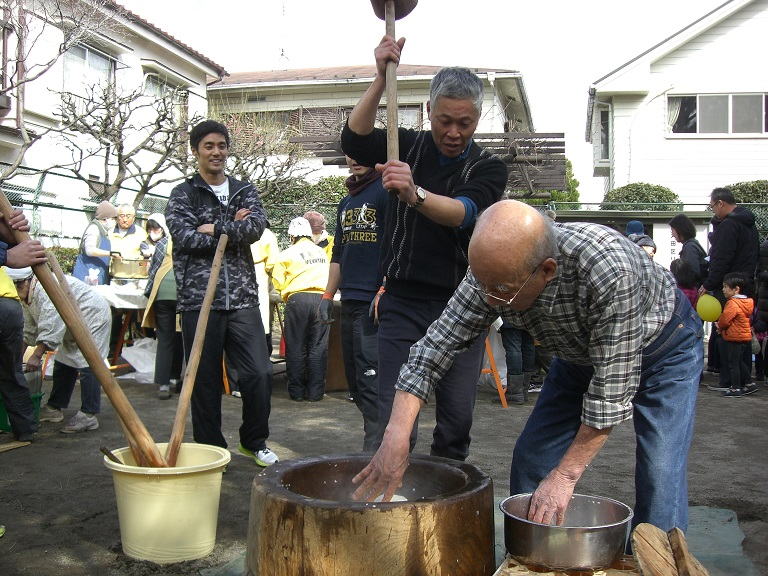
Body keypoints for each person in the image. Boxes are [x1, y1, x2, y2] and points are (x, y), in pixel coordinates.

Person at [353, 201, 703, 539]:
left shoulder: (609, 270)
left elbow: (608, 397)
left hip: (664, 349)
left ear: (547, 270)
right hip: (576, 356)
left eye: (501, 291)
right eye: (483, 284)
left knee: (660, 468)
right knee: (533, 456)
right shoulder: (493, 273)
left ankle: (660, 560)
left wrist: (565, 477)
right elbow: (432, 352)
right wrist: (395, 438)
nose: (488, 300)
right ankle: (534, 555)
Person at [340, 36, 507, 460]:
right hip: (402, 302)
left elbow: (464, 212)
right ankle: (390, 490)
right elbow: (355, 140)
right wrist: (380, 78)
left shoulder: (488, 167)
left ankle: (446, 494)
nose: (453, 133)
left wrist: (414, 193)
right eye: (445, 120)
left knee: (455, 423)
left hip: (463, 306)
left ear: (477, 118)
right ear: (429, 110)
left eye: (465, 123)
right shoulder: (405, 145)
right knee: (395, 420)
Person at [165, 119, 277, 467]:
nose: (217, 152)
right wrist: (232, 228)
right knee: (204, 381)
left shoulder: (244, 190)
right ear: (196, 151)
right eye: (209, 146)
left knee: (260, 372)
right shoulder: (183, 193)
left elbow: (256, 228)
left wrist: (213, 227)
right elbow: (184, 236)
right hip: (199, 300)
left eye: (222, 145)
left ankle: (253, 441)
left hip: (242, 298)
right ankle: (211, 450)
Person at [319, 155, 388, 450]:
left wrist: (385, 288)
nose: (355, 159)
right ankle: (375, 439)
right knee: (355, 381)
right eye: (350, 153)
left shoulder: (386, 192)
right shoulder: (346, 202)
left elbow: (397, 245)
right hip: (349, 300)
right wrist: (327, 295)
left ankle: (377, 447)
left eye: (363, 153)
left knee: (372, 378)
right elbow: (338, 254)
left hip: (374, 303)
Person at [11, 268, 111, 433]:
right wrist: (15, 358)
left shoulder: (45, 289)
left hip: (92, 315)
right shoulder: (27, 295)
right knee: (64, 360)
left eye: (19, 286)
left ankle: (88, 415)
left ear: (27, 282)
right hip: (71, 320)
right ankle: (54, 408)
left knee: (89, 362)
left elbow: (50, 325)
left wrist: (36, 355)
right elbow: (29, 329)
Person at [700, 188, 759, 386]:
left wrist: (709, 284)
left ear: (721, 203)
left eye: (712, 206)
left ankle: (729, 381)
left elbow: (721, 259)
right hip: (746, 285)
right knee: (743, 333)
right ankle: (744, 380)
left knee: (726, 333)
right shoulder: (749, 223)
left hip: (729, 286)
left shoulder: (729, 225)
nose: (713, 211)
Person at [0, 208, 48, 443]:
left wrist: (8, 237)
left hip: (5, 305)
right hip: (8, 304)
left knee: (10, 371)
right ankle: (25, 429)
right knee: (10, 372)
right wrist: (6, 252)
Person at [270, 217, 330, 402]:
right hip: (321, 299)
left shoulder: (286, 254)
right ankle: (315, 393)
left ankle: (296, 392)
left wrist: (285, 292)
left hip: (297, 300)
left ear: (291, 236)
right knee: (318, 347)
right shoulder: (321, 253)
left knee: (296, 346)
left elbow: (277, 281)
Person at [140, 213, 182, 400]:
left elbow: (154, 270)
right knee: (181, 336)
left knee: (165, 339)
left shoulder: (163, 243)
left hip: (162, 293)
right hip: (183, 294)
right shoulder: (191, 241)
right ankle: (175, 378)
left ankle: (163, 384)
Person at [715, 273, 758, 398]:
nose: (723, 289)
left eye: (725, 287)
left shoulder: (732, 303)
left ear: (736, 289)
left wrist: (719, 326)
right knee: (739, 361)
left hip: (734, 337)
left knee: (733, 364)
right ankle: (749, 383)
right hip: (744, 337)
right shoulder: (746, 302)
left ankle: (735, 388)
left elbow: (725, 320)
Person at [250, 223, 281, 356]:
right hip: (260, 275)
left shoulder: (228, 226)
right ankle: (263, 355)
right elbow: (273, 264)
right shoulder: (266, 234)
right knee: (262, 320)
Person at [72, 201, 117, 285]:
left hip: (98, 273)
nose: (115, 221)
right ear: (105, 219)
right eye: (113, 219)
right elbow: (90, 250)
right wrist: (110, 253)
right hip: (87, 274)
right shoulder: (94, 229)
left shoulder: (103, 231)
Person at [498, 323, 535, 405]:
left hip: (511, 318)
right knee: (528, 346)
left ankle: (515, 394)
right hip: (530, 318)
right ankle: (523, 392)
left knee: (513, 348)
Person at [669, 213, 707, 285]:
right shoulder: (692, 244)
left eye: (672, 230)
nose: (672, 234)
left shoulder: (690, 247)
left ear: (680, 230)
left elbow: (692, 273)